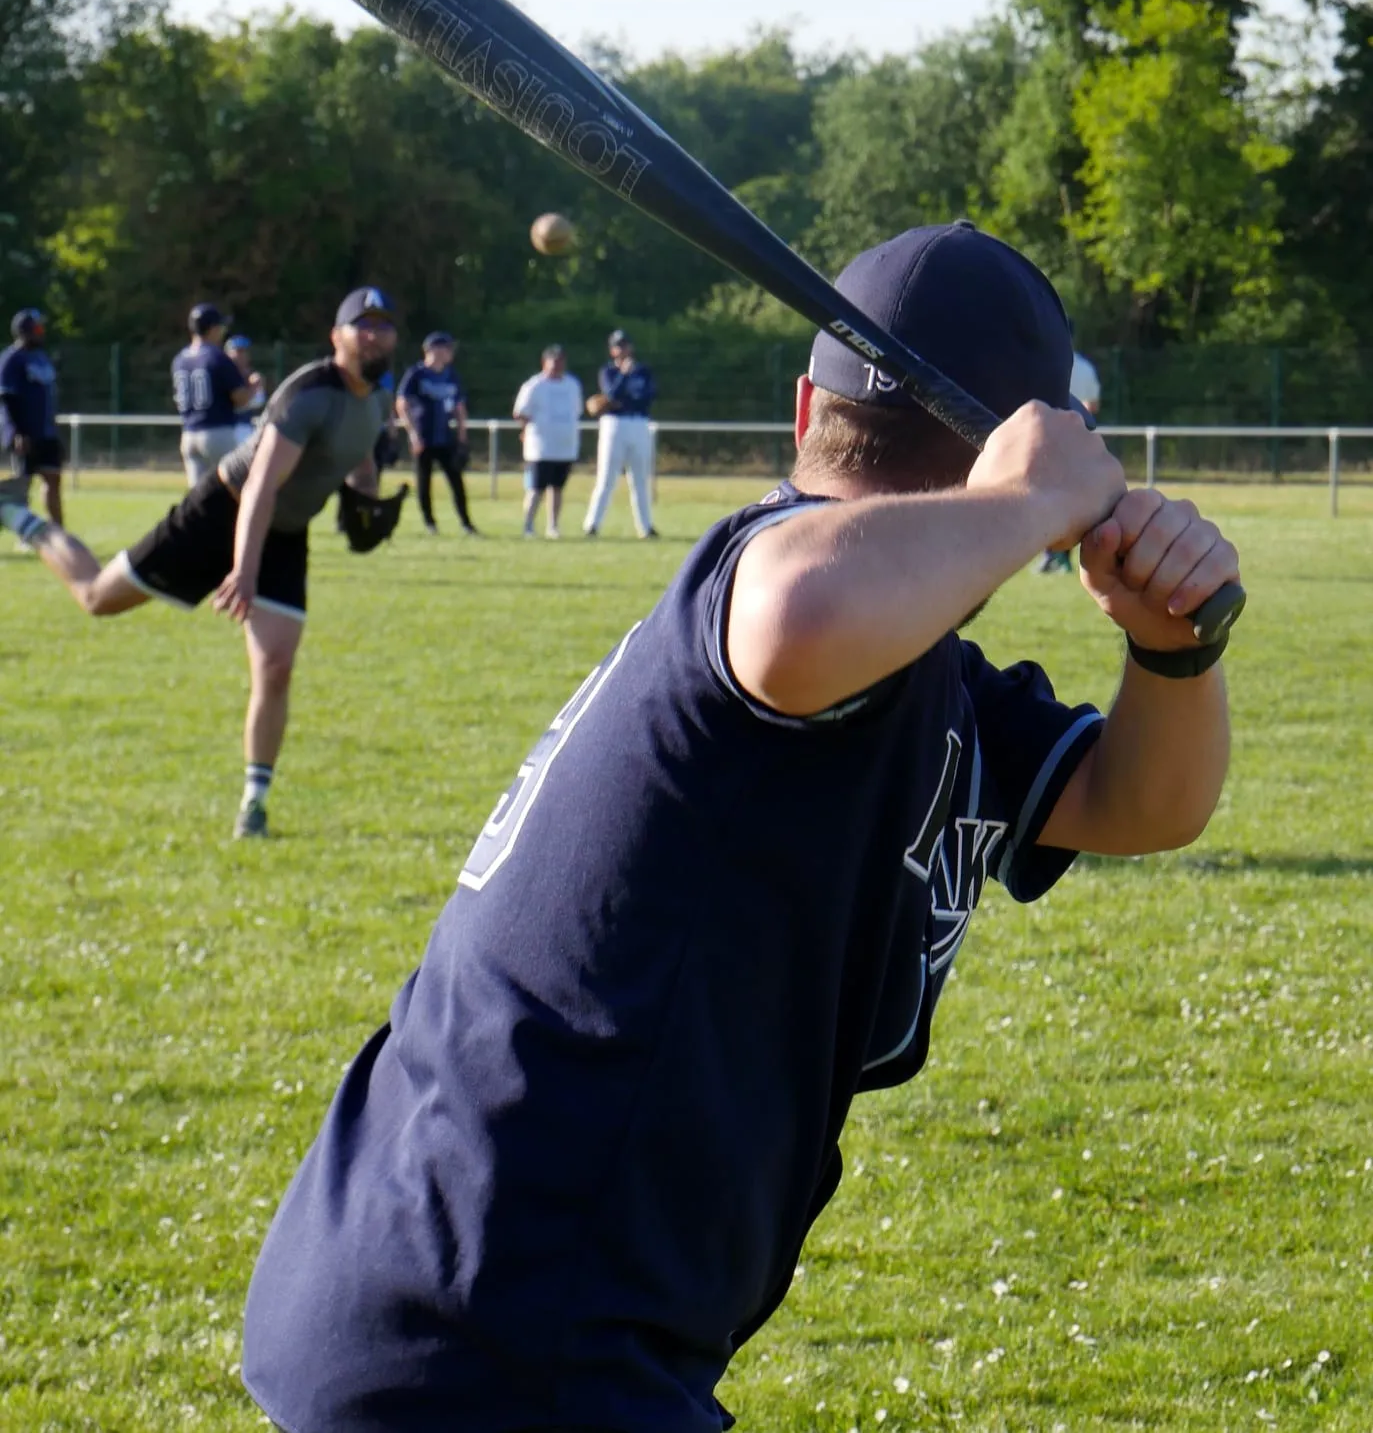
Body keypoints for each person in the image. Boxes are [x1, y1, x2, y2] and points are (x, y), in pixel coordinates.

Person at [239, 223, 1240, 1433]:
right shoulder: (766, 579)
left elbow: (1143, 802)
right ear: (1026, 439)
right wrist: (1028, 500)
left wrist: (1171, 649)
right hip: (502, 1326)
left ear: (804, 399)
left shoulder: (930, 678)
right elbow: (794, 614)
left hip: (483, 1296)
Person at [0, 287, 399, 840]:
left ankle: (253, 805)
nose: (375, 334)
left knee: (275, 669)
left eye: (384, 325)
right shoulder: (308, 393)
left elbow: (356, 454)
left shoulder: (378, 399)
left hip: (283, 535)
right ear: (338, 336)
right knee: (96, 597)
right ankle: (22, 518)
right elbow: (259, 485)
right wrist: (244, 569)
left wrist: (366, 500)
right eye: (363, 325)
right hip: (222, 512)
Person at [173, 304, 264, 485]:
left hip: (188, 434)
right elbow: (241, 399)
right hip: (217, 433)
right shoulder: (217, 357)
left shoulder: (180, 359)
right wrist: (254, 388)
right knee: (239, 490)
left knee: (198, 499)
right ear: (212, 328)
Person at [397, 332, 477, 537]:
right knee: (424, 482)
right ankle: (430, 524)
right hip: (424, 435)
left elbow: (459, 407)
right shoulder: (416, 374)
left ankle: (467, 524)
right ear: (433, 350)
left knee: (456, 481)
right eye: (447, 348)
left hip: (445, 436)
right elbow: (402, 404)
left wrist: (462, 434)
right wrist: (413, 433)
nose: (451, 353)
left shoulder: (451, 375)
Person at [582, 328, 658, 538]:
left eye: (625, 345)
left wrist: (623, 398)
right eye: (618, 346)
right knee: (606, 477)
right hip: (614, 424)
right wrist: (624, 376)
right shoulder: (608, 371)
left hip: (639, 423)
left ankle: (645, 527)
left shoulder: (643, 371)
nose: (622, 349)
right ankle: (592, 525)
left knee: (640, 479)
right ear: (612, 350)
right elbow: (610, 394)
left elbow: (648, 397)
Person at [1038, 344, 1104, 573]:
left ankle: (1050, 555)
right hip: (1077, 439)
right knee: (1074, 497)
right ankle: (1064, 557)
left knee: (1046, 495)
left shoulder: (1045, 361)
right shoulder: (1085, 367)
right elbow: (1092, 405)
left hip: (1047, 437)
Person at [0, 309, 64, 531]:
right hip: (25, 435)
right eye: (37, 328)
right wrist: (17, 432)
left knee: (53, 480)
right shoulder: (11, 359)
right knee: (22, 486)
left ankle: (58, 531)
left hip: (46, 433)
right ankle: (24, 534)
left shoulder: (41, 358)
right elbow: (7, 398)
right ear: (24, 331)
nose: (41, 332)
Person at [512, 344, 584, 538]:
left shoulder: (572, 384)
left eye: (561, 361)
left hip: (564, 446)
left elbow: (576, 411)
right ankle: (528, 525)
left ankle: (553, 526)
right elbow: (521, 412)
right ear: (544, 363)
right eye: (554, 361)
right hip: (541, 446)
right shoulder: (534, 385)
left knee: (557, 488)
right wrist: (525, 432)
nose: (557, 366)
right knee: (536, 488)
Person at [225, 334, 268, 446]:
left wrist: (259, 388)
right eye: (238, 351)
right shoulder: (223, 374)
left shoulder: (252, 376)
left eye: (244, 351)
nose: (242, 355)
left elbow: (258, 402)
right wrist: (253, 389)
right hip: (225, 428)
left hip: (245, 427)